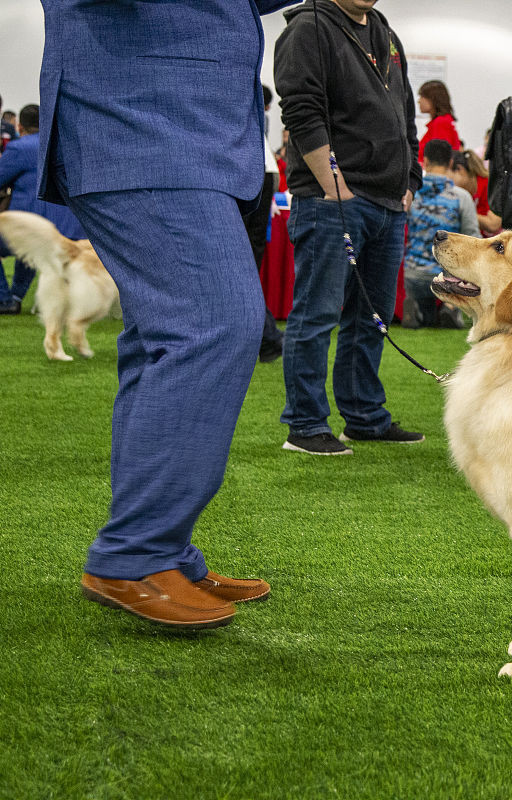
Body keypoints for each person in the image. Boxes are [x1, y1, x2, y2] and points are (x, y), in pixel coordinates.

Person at [39, 0, 293, 628]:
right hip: (137, 122)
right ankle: (134, 556)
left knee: (165, 337)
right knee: (217, 324)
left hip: (177, 131)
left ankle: (160, 549)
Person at [275, 0, 425, 455]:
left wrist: (410, 181)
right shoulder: (308, 27)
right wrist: (332, 183)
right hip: (332, 199)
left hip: (386, 201)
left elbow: (406, 117)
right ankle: (305, 425)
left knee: (371, 318)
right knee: (316, 315)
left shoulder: (384, 32)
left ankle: (364, 417)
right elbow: (300, 109)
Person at [0, 103, 86, 314]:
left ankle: (4, 299)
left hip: (35, 227)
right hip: (71, 228)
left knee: (25, 246)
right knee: (28, 252)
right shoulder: (65, 146)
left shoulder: (19, 148)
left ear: (20, 126)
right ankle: (16, 296)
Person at [402, 139, 481, 329]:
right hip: (448, 278)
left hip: (412, 274)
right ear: (451, 163)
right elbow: (474, 240)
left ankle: (415, 306)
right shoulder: (461, 197)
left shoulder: (411, 194)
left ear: (425, 162)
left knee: (417, 286)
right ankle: (451, 307)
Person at [241, 83, 287, 362]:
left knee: (239, 267)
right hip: (261, 170)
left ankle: (269, 337)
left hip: (251, 173)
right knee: (244, 266)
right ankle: (267, 337)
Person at [449, 148, 501, 236]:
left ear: (459, 169)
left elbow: (493, 225)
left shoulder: (490, 185)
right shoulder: (462, 193)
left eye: (447, 174)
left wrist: (464, 212)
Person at [417, 80, 461, 163]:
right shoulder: (443, 121)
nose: (419, 101)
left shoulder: (441, 123)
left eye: (422, 96)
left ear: (433, 99)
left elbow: (438, 161)